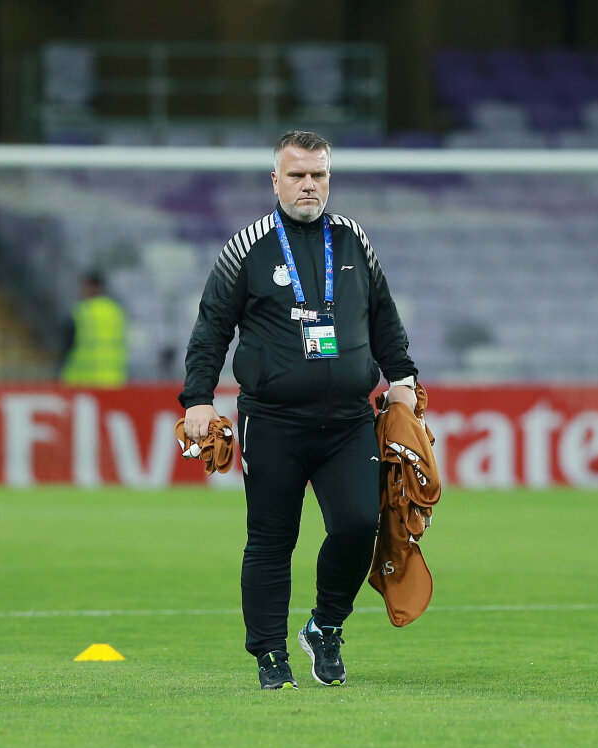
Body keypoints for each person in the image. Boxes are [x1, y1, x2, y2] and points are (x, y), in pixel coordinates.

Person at [179, 130, 418, 690]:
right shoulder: (247, 247)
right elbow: (211, 327)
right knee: (271, 538)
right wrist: (197, 398)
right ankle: (270, 657)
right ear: (275, 180)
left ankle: (325, 626)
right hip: (272, 420)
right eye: (297, 175)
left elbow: (383, 316)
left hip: (349, 420)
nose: (309, 185)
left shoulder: (354, 239)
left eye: (319, 175)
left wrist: (404, 378)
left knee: (359, 524)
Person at [60, 272, 127, 387]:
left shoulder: (82, 311)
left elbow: (68, 343)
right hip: (113, 379)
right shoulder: (116, 311)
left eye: (85, 286)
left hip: (83, 378)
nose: (82, 290)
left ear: (95, 287)